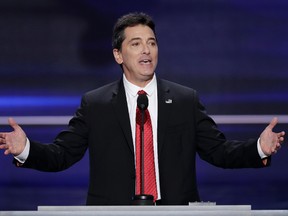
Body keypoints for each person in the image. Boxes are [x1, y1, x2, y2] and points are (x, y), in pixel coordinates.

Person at [0, 12, 285, 205]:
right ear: (118, 55)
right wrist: (26, 148)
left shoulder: (185, 100)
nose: (146, 50)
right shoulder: (95, 104)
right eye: (136, 44)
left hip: (175, 212)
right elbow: (62, 155)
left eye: (151, 43)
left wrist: (259, 147)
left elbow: (219, 151)